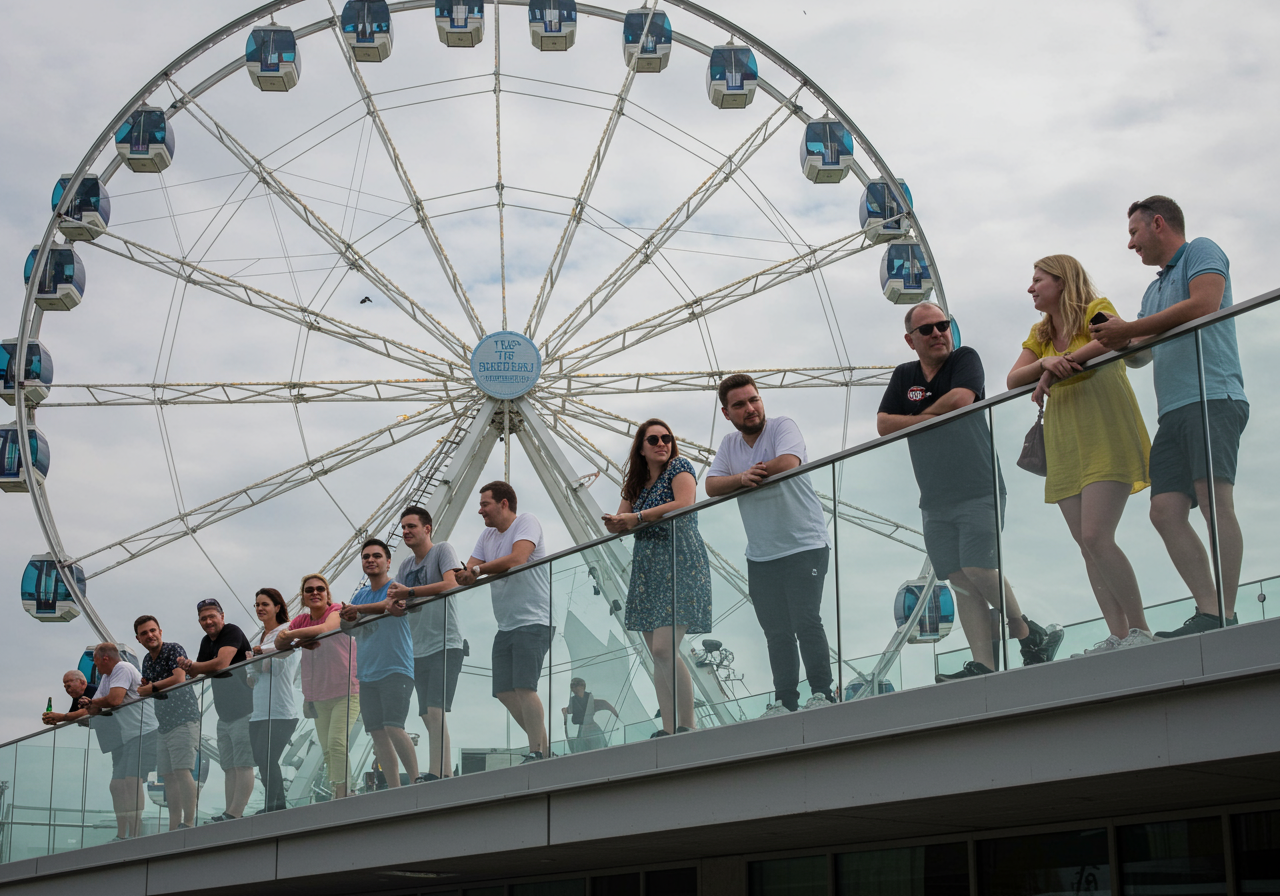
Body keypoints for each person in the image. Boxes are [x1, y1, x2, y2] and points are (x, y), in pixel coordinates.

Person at [878, 302, 1063, 680]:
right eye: (926, 329)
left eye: (942, 326)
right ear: (910, 340)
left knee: (980, 567)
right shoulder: (903, 375)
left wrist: (913, 420)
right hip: (933, 497)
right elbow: (882, 424)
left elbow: (962, 400)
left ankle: (1027, 630)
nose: (937, 334)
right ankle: (986, 663)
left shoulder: (965, 359)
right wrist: (932, 415)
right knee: (960, 580)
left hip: (978, 486)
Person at [1092, 196, 1248, 638]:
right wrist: (1118, 339)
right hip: (1174, 410)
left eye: (1133, 233)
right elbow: (1140, 357)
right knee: (1163, 511)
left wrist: (1131, 330)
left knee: (1215, 504)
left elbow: (1206, 303)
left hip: (1212, 396)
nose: (1130, 244)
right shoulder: (1152, 290)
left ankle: (1225, 614)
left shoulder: (1202, 250)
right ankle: (1210, 610)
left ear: (1158, 224)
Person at [1007, 256, 1154, 654]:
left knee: (1096, 535)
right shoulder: (1040, 332)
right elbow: (1012, 378)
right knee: (1085, 544)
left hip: (1105, 431)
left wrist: (1055, 370)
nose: (1031, 288)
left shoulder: (1095, 310)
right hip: (1065, 442)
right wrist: (1045, 362)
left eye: (1038, 279)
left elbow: (1112, 339)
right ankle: (1118, 634)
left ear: (1062, 280)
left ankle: (1140, 630)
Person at [705, 375, 835, 715]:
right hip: (761, 554)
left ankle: (823, 692)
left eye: (754, 400)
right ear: (726, 412)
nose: (750, 408)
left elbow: (788, 463)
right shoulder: (729, 444)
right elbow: (712, 485)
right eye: (739, 405)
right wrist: (742, 479)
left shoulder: (782, 426)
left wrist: (745, 478)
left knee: (806, 621)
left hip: (804, 542)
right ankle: (785, 701)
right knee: (776, 632)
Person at [603, 418, 712, 735]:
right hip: (648, 569)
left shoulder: (680, 467)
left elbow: (684, 503)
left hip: (679, 561)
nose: (662, 443)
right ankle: (668, 727)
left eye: (666, 437)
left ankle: (687, 725)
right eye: (654, 440)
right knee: (657, 654)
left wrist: (635, 517)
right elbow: (623, 520)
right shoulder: (636, 485)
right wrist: (615, 523)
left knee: (665, 649)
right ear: (641, 447)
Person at [455, 481, 552, 762]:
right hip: (506, 624)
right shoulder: (486, 537)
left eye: (485, 504)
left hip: (534, 619)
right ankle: (542, 748)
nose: (480, 510)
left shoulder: (526, 522)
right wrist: (464, 574)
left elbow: (518, 558)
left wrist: (475, 570)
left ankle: (537, 751)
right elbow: (470, 569)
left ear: (504, 503)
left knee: (524, 686)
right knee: (503, 691)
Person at [382, 506, 464, 782]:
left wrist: (410, 592)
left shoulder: (442, 550)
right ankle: (443, 771)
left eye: (411, 526)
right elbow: (398, 601)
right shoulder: (406, 565)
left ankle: (439, 772)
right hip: (417, 649)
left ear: (427, 528)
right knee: (428, 716)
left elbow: (451, 584)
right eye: (403, 527)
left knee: (436, 710)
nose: (405, 532)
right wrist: (395, 603)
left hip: (445, 642)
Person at [340, 538, 419, 787]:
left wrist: (356, 610)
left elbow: (391, 606)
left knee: (394, 726)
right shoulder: (361, 595)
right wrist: (349, 615)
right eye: (366, 557)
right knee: (377, 733)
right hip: (367, 674)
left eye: (376, 556)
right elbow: (346, 627)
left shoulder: (396, 587)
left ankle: (417, 781)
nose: (371, 560)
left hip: (395, 668)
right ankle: (395, 788)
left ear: (388, 561)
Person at [275, 573, 360, 799]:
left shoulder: (335, 611)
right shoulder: (302, 621)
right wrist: (296, 637)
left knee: (337, 742)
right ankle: (340, 791)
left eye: (320, 589)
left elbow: (326, 629)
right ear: (303, 597)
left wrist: (293, 637)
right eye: (309, 590)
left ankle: (343, 793)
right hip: (319, 696)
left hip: (346, 690)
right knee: (327, 748)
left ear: (327, 594)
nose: (315, 593)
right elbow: (278, 644)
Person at [176, 598, 254, 822]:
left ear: (222, 616)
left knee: (243, 763)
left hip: (245, 708)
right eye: (203, 618)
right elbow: (196, 673)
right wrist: (190, 666)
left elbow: (221, 663)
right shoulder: (205, 641)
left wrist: (193, 666)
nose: (208, 621)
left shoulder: (232, 631)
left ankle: (235, 813)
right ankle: (229, 812)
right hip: (225, 713)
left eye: (212, 616)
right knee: (229, 766)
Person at [86, 643, 158, 841]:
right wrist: (65, 716)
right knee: (116, 786)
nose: (96, 666)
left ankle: (135, 834)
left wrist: (93, 703)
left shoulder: (123, 668)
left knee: (132, 782)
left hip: (146, 732)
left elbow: (115, 699)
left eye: (96, 661)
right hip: (128, 737)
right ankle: (121, 834)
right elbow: (94, 708)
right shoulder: (107, 678)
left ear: (105, 658)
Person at [136, 616, 201, 831]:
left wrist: (151, 687)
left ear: (160, 631)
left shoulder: (174, 649)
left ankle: (189, 822)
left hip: (183, 719)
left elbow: (179, 678)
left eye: (153, 630)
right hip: (163, 724)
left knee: (183, 771)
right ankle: (175, 825)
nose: (150, 635)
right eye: (144, 633)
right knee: (168, 777)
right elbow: (150, 686)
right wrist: (147, 686)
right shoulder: (146, 660)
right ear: (138, 638)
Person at [247, 589, 300, 812]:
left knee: (268, 757)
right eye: (257, 604)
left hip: (280, 710)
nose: (260, 608)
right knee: (261, 759)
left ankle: (276, 806)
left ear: (277, 607)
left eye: (265, 604)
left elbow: (275, 668)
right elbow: (251, 678)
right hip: (259, 710)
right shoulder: (261, 638)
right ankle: (275, 804)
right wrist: (259, 660)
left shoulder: (285, 632)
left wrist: (258, 659)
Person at [561, 678, 619, 753]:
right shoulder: (574, 701)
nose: (574, 689)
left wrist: (616, 715)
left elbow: (605, 704)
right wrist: (565, 711)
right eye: (572, 687)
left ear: (583, 687)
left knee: (599, 751)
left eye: (576, 686)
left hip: (592, 730)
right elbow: (568, 710)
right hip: (583, 731)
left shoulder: (590, 700)